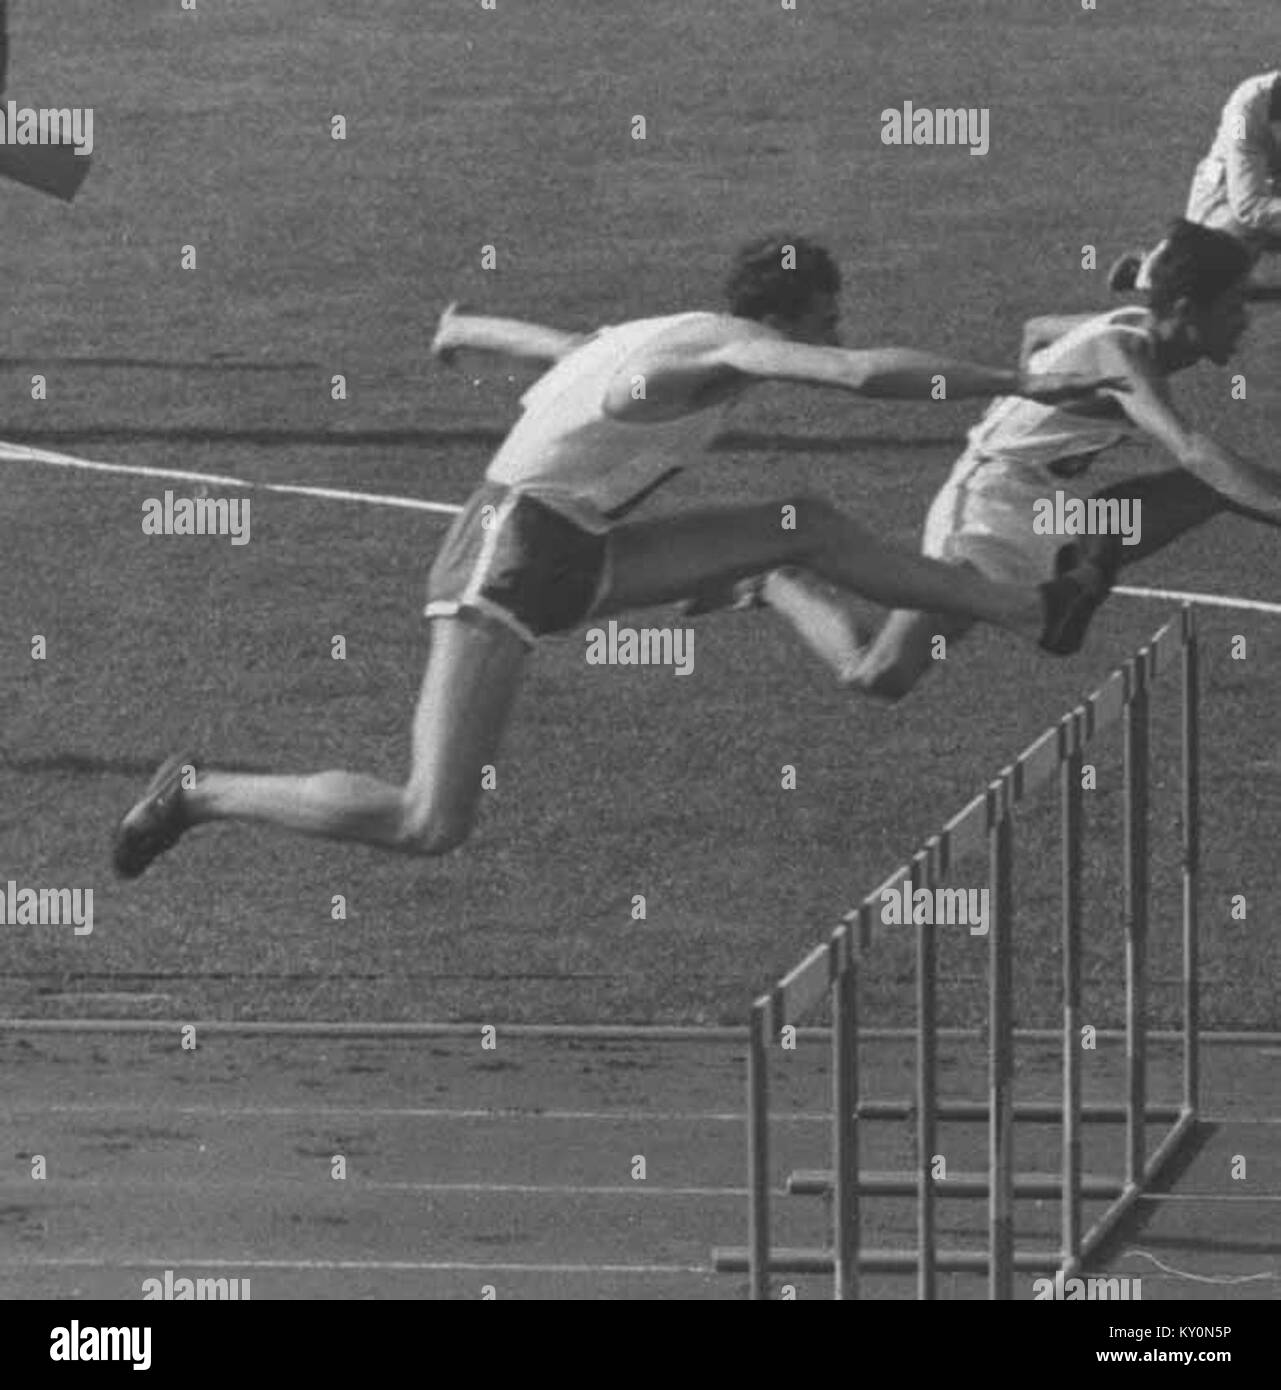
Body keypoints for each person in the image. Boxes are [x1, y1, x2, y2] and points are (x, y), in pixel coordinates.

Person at [113, 235, 1119, 874]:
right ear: (783, 320)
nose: (835, 329)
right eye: (824, 316)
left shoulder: (651, 335)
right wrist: (1023, 383)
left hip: (575, 545)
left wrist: (464, 328)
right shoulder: (723, 349)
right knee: (430, 819)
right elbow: (857, 375)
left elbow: (563, 352)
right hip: (505, 560)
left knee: (799, 522)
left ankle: (1035, 611)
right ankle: (201, 792)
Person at [727, 221, 1280, 700]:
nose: (1245, 321)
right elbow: (1188, 447)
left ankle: (1081, 557)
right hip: (988, 507)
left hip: (1053, 504)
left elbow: (1036, 328)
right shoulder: (1126, 353)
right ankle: (778, 580)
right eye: (1234, 304)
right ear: (1186, 308)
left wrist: (1027, 402)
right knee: (882, 675)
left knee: (1208, 490)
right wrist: (1013, 422)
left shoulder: (1144, 322)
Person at [1111, 71, 1281, 297]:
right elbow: (1248, 204)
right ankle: (1152, 268)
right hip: (1229, 195)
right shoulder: (1244, 112)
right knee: (1213, 274)